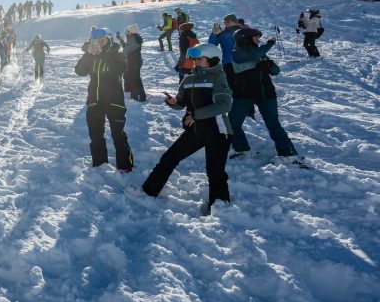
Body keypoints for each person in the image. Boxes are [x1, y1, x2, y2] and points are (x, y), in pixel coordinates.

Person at [140, 43, 232, 215]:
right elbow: (181, 104)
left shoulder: (218, 77)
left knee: (215, 170)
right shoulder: (188, 80)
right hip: (195, 130)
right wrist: (173, 102)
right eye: (194, 59)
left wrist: (196, 114)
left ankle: (220, 206)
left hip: (217, 130)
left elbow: (224, 105)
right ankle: (148, 192)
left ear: (212, 59)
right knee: (169, 158)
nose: (195, 61)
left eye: (199, 58)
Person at [229, 28, 301, 164]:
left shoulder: (260, 54)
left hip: (266, 94)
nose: (258, 39)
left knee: (273, 124)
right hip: (244, 95)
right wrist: (269, 44)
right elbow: (252, 56)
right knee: (232, 123)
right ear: (245, 38)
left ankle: (289, 154)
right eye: (255, 36)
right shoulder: (237, 54)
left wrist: (270, 64)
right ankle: (241, 149)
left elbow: (276, 71)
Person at [74, 29, 134, 171]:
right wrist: (88, 53)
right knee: (95, 135)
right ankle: (99, 165)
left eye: (102, 40)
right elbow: (79, 71)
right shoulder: (91, 55)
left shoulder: (117, 53)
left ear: (109, 40)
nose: (99, 43)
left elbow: (120, 69)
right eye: (96, 41)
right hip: (94, 100)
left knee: (118, 135)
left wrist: (102, 54)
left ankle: (125, 166)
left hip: (114, 101)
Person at [208, 13, 243, 88]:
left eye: (225, 22)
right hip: (244, 63)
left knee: (231, 86)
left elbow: (211, 45)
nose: (224, 25)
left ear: (230, 21)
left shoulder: (224, 34)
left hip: (228, 63)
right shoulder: (244, 32)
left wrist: (214, 33)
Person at [116, 25, 146, 101]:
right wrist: (120, 39)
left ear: (131, 32)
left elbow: (125, 50)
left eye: (128, 32)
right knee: (136, 78)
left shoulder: (132, 39)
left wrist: (115, 55)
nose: (127, 33)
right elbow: (127, 46)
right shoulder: (136, 38)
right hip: (136, 61)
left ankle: (134, 97)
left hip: (133, 62)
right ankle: (142, 96)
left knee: (133, 79)